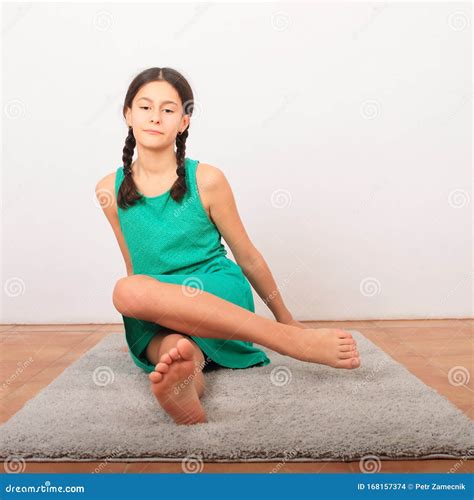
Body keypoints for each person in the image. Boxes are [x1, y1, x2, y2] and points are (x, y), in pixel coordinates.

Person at [96, 67, 360, 426]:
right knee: (170, 344)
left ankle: (285, 339)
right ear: (128, 114)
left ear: (184, 121)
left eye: (169, 109)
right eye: (145, 107)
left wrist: (286, 317)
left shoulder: (207, 179)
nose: (155, 117)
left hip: (215, 290)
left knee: (128, 291)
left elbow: (247, 255)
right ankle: (185, 385)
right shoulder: (108, 190)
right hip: (157, 303)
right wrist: (147, 308)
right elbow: (135, 266)